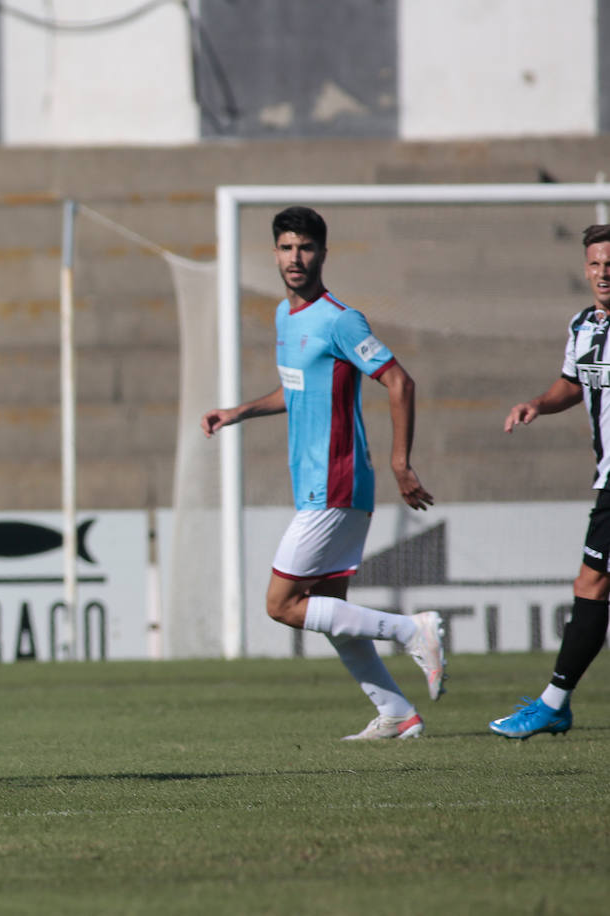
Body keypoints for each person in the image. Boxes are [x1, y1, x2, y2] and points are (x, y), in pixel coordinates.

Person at [200, 205, 446, 740]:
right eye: (287, 248)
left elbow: (400, 382)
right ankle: (397, 714)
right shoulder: (284, 318)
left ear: (323, 254)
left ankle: (411, 629)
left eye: (306, 248)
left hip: (336, 482)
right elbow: (297, 390)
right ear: (275, 254)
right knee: (330, 610)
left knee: (282, 605)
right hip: (317, 484)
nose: (296, 258)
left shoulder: (340, 319)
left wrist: (400, 462)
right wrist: (237, 412)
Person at [489, 224, 610, 739]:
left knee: (591, 583)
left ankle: (553, 702)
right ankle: (554, 703)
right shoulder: (583, 324)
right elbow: (572, 382)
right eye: (596, 265)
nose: (603, 275)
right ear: (585, 269)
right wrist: (538, 403)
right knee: (592, 584)